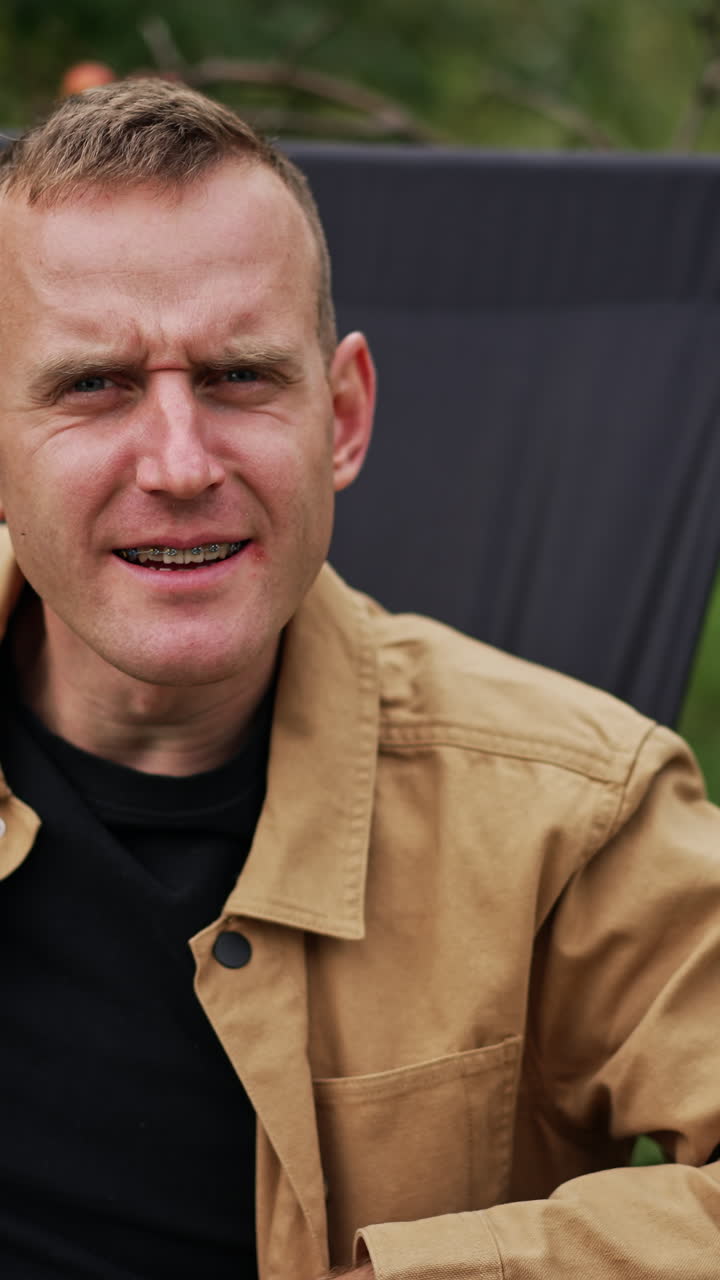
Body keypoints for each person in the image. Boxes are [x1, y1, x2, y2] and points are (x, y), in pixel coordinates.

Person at [0, 78, 718, 1280]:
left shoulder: (573, 813)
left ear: (340, 415)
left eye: (238, 377)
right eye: (94, 385)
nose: (180, 463)